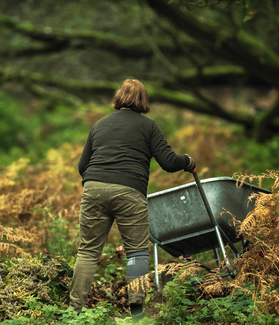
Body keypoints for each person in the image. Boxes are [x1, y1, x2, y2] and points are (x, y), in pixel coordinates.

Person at [69, 79, 196, 318]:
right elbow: (168, 162)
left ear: (119, 98)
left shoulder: (99, 125)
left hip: (93, 189)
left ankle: (73, 313)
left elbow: (82, 166)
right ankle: (137, 313)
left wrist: (99, 181)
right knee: (136, 253)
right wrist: (187, 161)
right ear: (143, 102)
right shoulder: (148, 127)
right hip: (129, 191)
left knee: (87, 252)